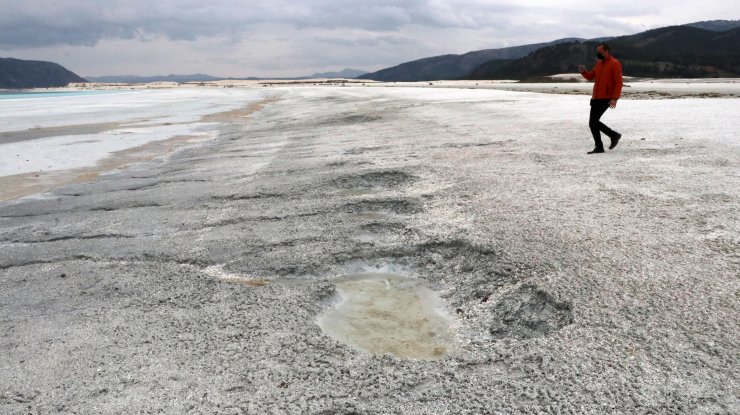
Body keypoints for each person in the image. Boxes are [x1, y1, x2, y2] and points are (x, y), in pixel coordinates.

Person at [578, 43, 623, 154]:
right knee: (592, 123)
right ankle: (601, 145)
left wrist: (614, 98)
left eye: (600, 52)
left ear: (606, 51)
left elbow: (618, 83)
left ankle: (612, 136)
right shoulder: (599, 64)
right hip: (596, 97)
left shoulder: (615, 64)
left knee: (593, 122)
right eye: (597, 52)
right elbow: (591, 76)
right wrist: (583, 72)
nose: (598, 54)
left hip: (606, 98)